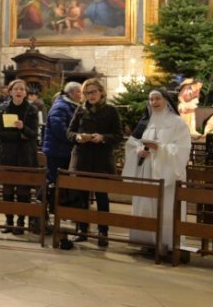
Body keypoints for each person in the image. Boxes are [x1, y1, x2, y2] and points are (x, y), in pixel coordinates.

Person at [123, 90, 192, 255]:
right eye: (151, 99)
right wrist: (140, 150)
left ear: (167, 101)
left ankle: (167, 244)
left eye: (157, 98)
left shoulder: (177, 123)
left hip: (166, 172)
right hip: (146, 171)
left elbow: (182, 149)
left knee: (166, 208)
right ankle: (146, 242)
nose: (154, 102)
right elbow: (133, 144)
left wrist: (159, 149)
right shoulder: (145, 122)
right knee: (146, 205)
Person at [66, 77, 121, 246]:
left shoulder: (111, 111)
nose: (91, 95)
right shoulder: (81, 110)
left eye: (93, 92)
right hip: (82, 158)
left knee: (101, 198)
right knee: (82, 198)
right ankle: (82, 230)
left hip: (101, 160)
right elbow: (69, 132)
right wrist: (78, 137)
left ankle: (103, 232)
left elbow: (118, 136)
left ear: (101, 92)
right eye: (87, 93)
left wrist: (103, 137)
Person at [0, 79, 40, 234]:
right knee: (7, 189)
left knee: (23, 190)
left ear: (25, 93)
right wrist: (19, 136)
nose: (19, 91)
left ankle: (20, 222)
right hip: (7, 154)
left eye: (22, 89)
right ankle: (8, 222)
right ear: (11, 91)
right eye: (16, 89)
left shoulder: (32, 109)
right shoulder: (3, 108)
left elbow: (34, 134)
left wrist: (23, 128)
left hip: (25, 156)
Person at [43, 82, 82, 210]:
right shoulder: (60, 107)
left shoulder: (70, 106)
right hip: (57, 151)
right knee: (55, 181)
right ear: (71, 93)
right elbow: (59, 130)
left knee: (62, 182)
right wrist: (76, 138)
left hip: (63, 150)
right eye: (79, 92)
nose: (81, 95)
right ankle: (49, 208)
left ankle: (57, 208)